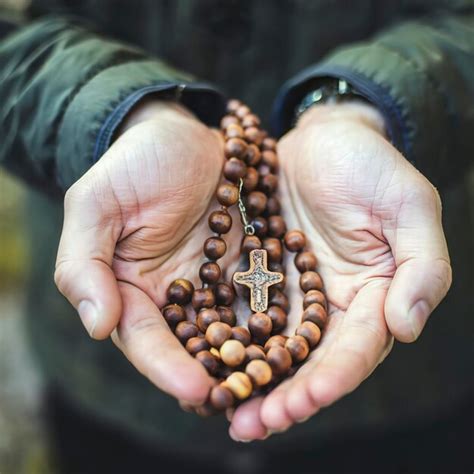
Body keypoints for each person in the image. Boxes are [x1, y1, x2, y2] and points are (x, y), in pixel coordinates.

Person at [0, 1, 472, 472]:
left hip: (406, 388)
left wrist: (369, 107)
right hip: (109, 372)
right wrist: (122, 115)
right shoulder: (228, 278)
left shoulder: (264, 275)